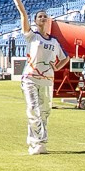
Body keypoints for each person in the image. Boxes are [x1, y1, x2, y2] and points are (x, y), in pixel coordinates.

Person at [22, 12, 63, 155]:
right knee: (33, 109)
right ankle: (39, 142)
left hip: (47, 80)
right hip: (31, 77)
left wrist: (57, 67)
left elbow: (65, 57)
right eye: (39, 16)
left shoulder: (54, 41)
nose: (43, 18)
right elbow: (23, 14)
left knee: (45, 112)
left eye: (45, 16)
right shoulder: (32, 36)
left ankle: (34, 141)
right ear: (35, 20)